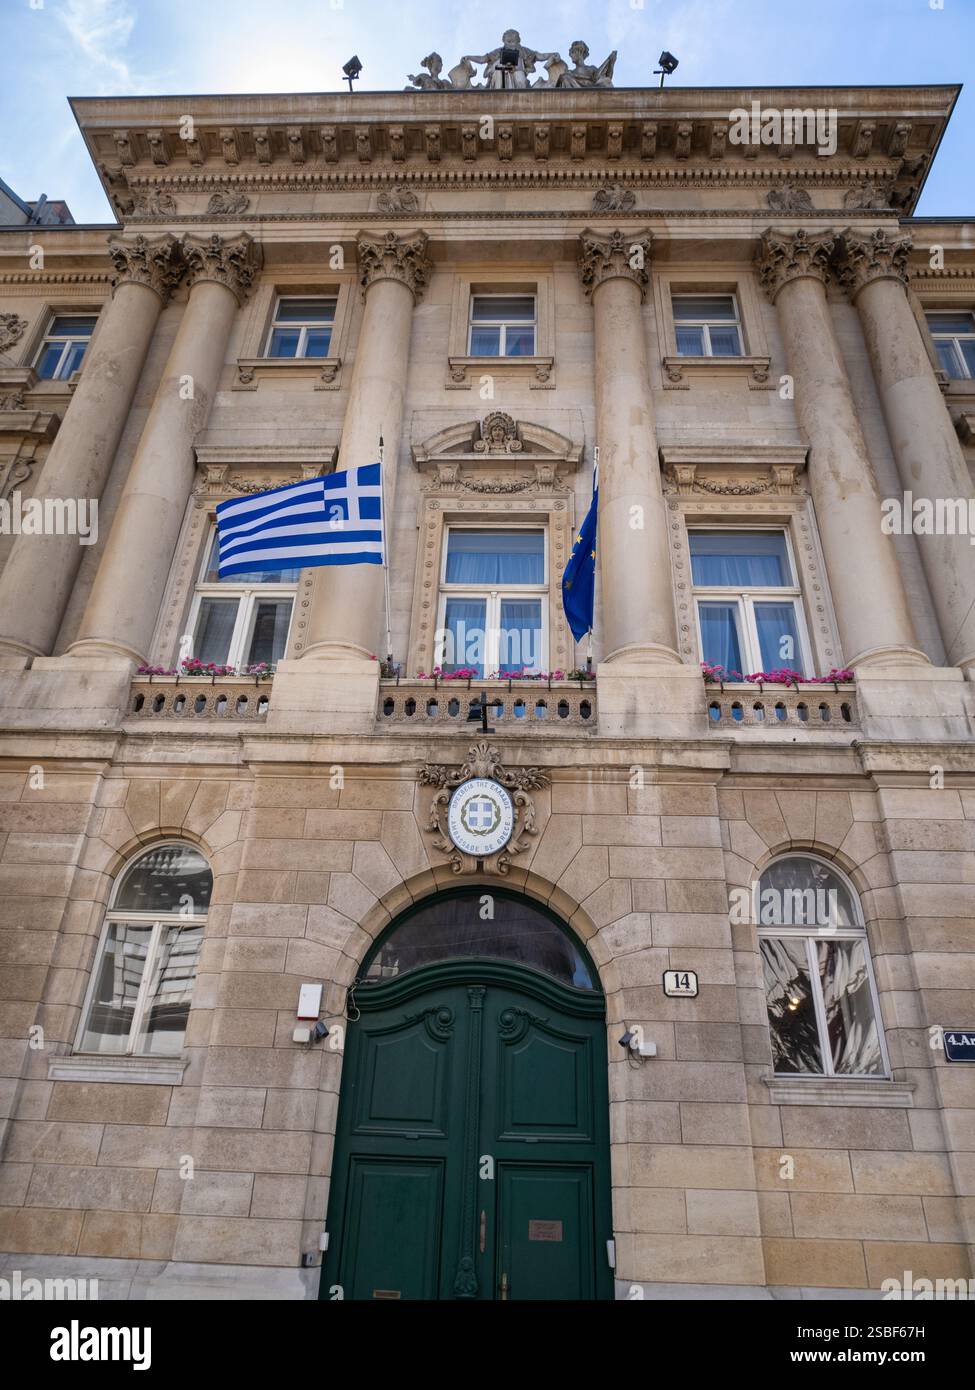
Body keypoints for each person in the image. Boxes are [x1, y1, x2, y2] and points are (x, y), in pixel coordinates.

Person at [463, 30, 560, 90]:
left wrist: (553, 54)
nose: (511, 44)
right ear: (504, 41)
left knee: (520, 75)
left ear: (518, 41)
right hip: (500, 73)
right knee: (499, 66)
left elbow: (540, 56)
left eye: (513, 41)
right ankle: (501, 94)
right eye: (508, 41)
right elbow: (482, 59)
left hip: (517, 74)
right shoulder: (498, 52)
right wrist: (469, 57)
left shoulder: (523, 51)